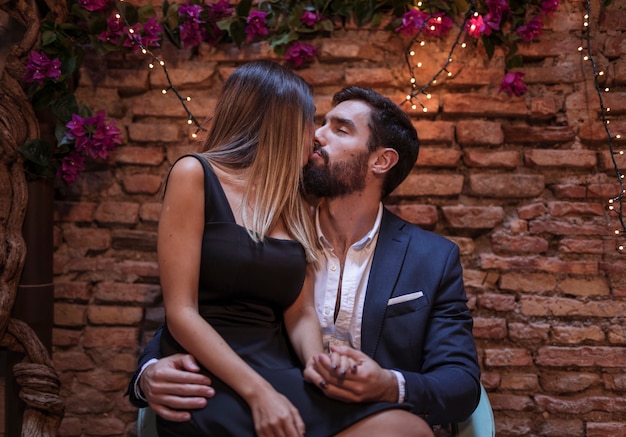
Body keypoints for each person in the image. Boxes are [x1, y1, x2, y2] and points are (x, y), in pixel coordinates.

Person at [128, 83, 480, 431]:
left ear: (381, 160)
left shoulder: (433, 260)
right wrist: (148, 372)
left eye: (340, 129)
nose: (316, 136)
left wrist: (388, 384)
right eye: (320, 123)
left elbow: (461, 384)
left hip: (356, 416)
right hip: (254, 396)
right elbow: (210, 305)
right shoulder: (274, 222)